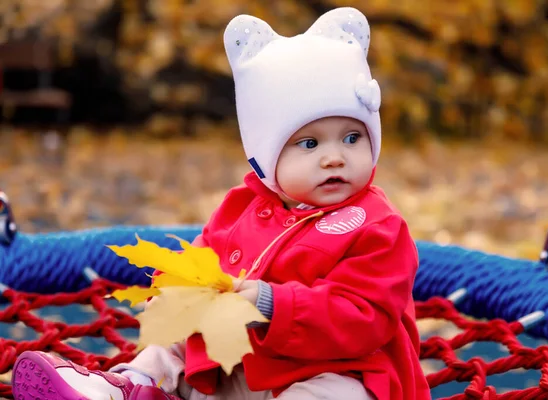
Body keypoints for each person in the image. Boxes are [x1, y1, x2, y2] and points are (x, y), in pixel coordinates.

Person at [12, 7, 430, 400]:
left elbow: (364, 317)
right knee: (171, 346)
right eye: (309, 143)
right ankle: (130, 387)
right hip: (235, 371)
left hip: (337, 370)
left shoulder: (378, 226)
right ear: (267, 157)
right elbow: (202, 262)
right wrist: (175, 292)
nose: (335, 156)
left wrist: (270, 304)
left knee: (342, 394)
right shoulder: (241, 207)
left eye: (352, 137)